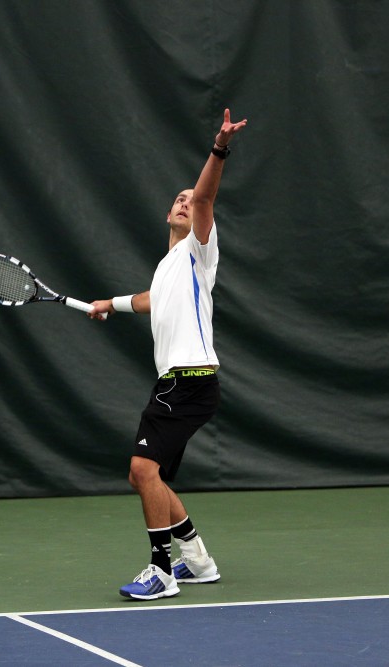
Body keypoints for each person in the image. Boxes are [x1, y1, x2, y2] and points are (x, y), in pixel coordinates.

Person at [87, 108, 248, 600]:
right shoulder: (167, 268)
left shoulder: (199, 249)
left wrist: (219, 147)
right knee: (150, 478)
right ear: (166, 214)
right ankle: (197, 561)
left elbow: (206, 194)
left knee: (141, 471)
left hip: (190, 379)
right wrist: (107, 305)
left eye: (189, 200)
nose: (185, 203)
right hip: (179, 383)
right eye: (177, 200)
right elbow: (149, 300)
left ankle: (161, 571)